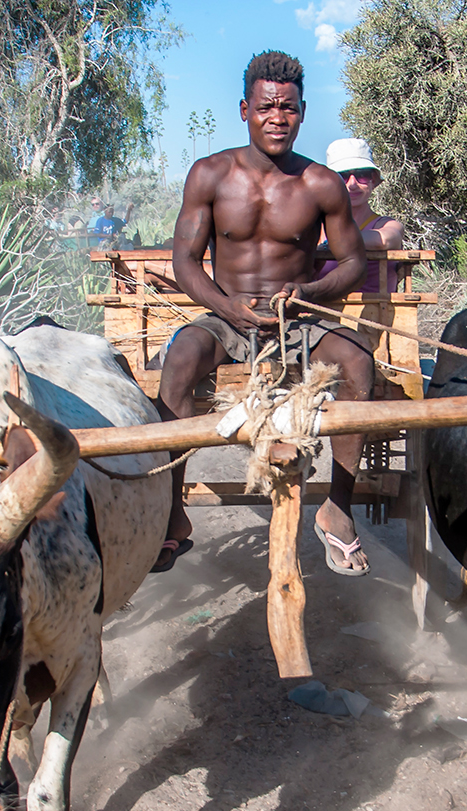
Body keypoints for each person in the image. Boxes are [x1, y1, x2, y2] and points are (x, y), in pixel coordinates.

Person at [153, 50, 375, 575]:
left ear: (302, 112)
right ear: (244, 109)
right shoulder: (209, 175)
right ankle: (171, 513)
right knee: (181, 357)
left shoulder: (320, 183)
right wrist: (225, 306)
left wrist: (309, 291)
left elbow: (353, 262)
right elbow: (184, 262)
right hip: (227, 318)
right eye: (266, 107)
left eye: (289, 108)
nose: (278, 118)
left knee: (360, 360)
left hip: (299, 321)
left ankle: (338, 510)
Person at [316, 138, 405, 292]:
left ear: (373, 180)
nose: (352, 184)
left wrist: (326, 246)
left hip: (376, 314)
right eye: (342, 176)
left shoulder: (386, 225)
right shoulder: (316, 227)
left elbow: (383, 240)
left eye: (361, 175)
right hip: (318, 313)